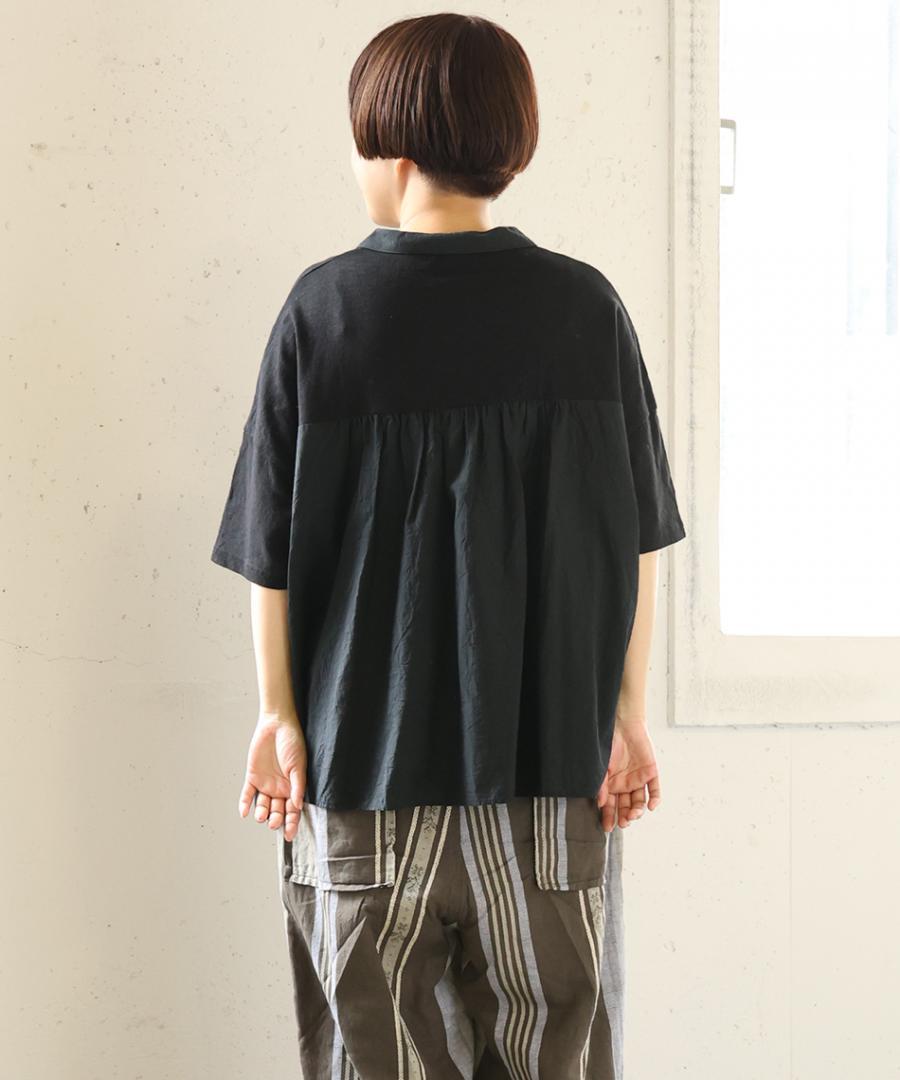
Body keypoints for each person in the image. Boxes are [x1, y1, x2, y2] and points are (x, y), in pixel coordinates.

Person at [209, 12, 686, 1079]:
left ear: (391, 144)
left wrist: (279, 715)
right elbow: (637, 542)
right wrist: (626, 716)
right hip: (549, 778)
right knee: (554, 1056)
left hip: (362, 777)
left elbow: (269, 550)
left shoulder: (325, 313)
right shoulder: (586, 311)